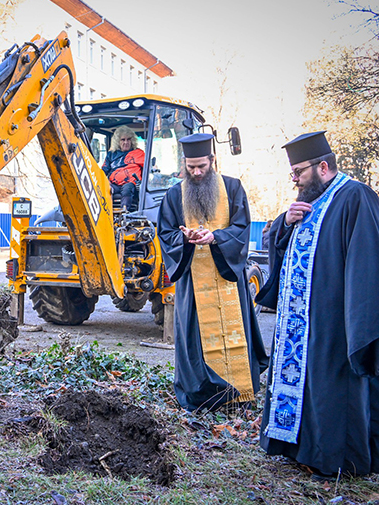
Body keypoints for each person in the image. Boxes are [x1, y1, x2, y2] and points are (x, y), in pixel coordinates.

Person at [257, 131, 379, 478]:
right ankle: (298, 448)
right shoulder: (310, 201)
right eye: (292, 173)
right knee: (306, 382)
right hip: (300, 321)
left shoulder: (354, 196)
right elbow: (280, 243)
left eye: (299, 172)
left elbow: (368, 260)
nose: (294, 179)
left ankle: (336, 459)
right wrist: (284, 223)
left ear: (323, 166)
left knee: (332, 388)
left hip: (335, 319)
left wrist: (359, 321)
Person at [157, 132, 269, 412]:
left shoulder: (232, 188)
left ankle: (238, 393)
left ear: (212, 160)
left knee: (235, 334)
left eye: (201, 167)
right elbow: (165, 232)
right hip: (193, 283)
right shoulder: (174, 194)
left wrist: (215, 238)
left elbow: (242, 227)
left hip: (227, 277)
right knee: (194, 339)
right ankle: (200, 395)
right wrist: (183, 238)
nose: (195, 172)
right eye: (191, 167)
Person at [102, 126, 145, 211]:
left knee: (127, 190)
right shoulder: (111, 154)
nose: (126, 142)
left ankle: (124, 212)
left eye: (128, 139)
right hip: (115, 184)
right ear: (118, 141)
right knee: (104, 190)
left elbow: (148, 169)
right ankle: (106, 212)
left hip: (131, 183)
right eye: (123, 140)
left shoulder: (139, 153)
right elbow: (104, 171)